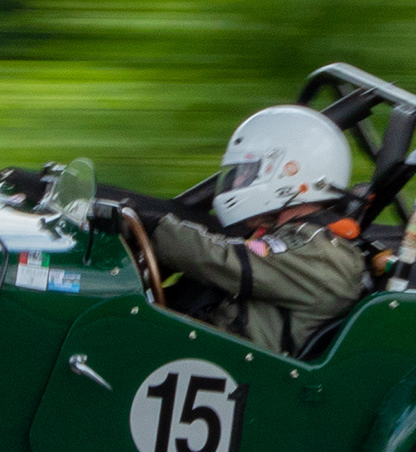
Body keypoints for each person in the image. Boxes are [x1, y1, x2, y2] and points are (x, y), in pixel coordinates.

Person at [116, 104, 371, 355]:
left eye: (248, 172)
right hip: (200, 350)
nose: (236, 181)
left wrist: (153, 226)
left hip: (225, 364)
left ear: (290, 173)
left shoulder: (323, 257)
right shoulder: (291, 237)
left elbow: (223, 259)